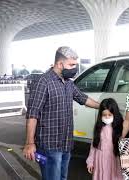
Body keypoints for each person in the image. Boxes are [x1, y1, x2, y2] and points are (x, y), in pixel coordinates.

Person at [23, 46, 100, 180]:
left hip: (66, 144)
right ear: (59, 64)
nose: (75, 68)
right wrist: (30, 143)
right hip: (49, 146)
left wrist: (104, 106)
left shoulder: (68, 83)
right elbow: (32, 115)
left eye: (75, 65)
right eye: (71, 65)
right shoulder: (43, 82)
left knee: (63, 178)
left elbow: (83, 98)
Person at [86, 98, 123, 180]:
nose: (107, 117)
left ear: (115, 114)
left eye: (110, 115)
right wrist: (90, 162)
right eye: (104, 115)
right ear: (100, 115)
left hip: (114, 161)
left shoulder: (119, 128)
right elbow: (93, 146)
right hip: (100, 160)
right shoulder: (99, 128)